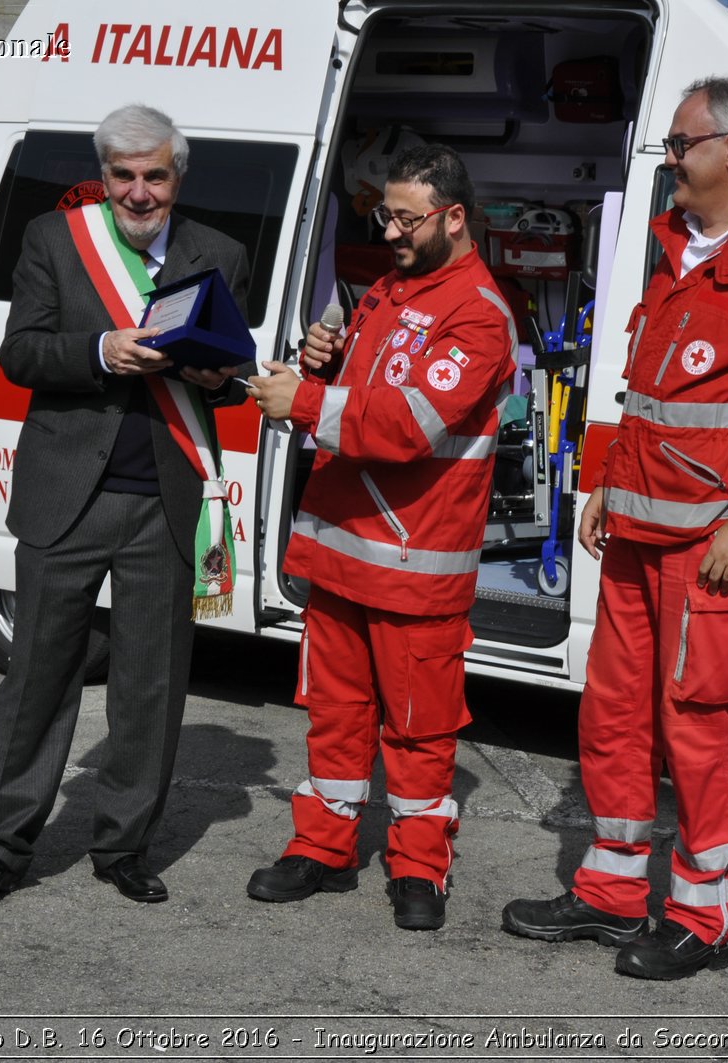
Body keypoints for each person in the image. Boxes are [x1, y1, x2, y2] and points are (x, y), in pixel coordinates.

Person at [502, 75, 728, 978]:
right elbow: (647, 388)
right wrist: (607, 483)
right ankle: (612, 895)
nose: (667, 159)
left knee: (697, 728)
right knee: (613, 715)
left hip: (712, 544)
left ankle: (702, 917)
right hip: (638, 532)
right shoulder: (675, 243)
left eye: (679, 143)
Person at [0, 103, 251, 905]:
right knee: (38, 679)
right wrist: (100, 350)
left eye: (155, 174)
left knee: (151, 684)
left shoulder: (220, 254)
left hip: (165, 495)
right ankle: (3, 845)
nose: (140, 191)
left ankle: (123, 845)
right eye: (124, 175)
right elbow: (21, 352)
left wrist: (218, 381)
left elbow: (229, 373)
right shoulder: (56, 239)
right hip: (65, 495)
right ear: (104, 175)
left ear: (177, 177)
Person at [242, 144, 515, 931]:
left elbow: (405, 425)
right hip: (341, 551)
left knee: (420, 729)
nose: (389, 228)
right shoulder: (389, 291)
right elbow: (364, 394)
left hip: (414, 564)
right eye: (383, 213)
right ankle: (322, 847)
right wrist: (324, 364)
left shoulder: (480, 313)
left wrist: (303, 403)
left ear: (454, 217)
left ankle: (419, 866)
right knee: (334, 714)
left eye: (405, 216)